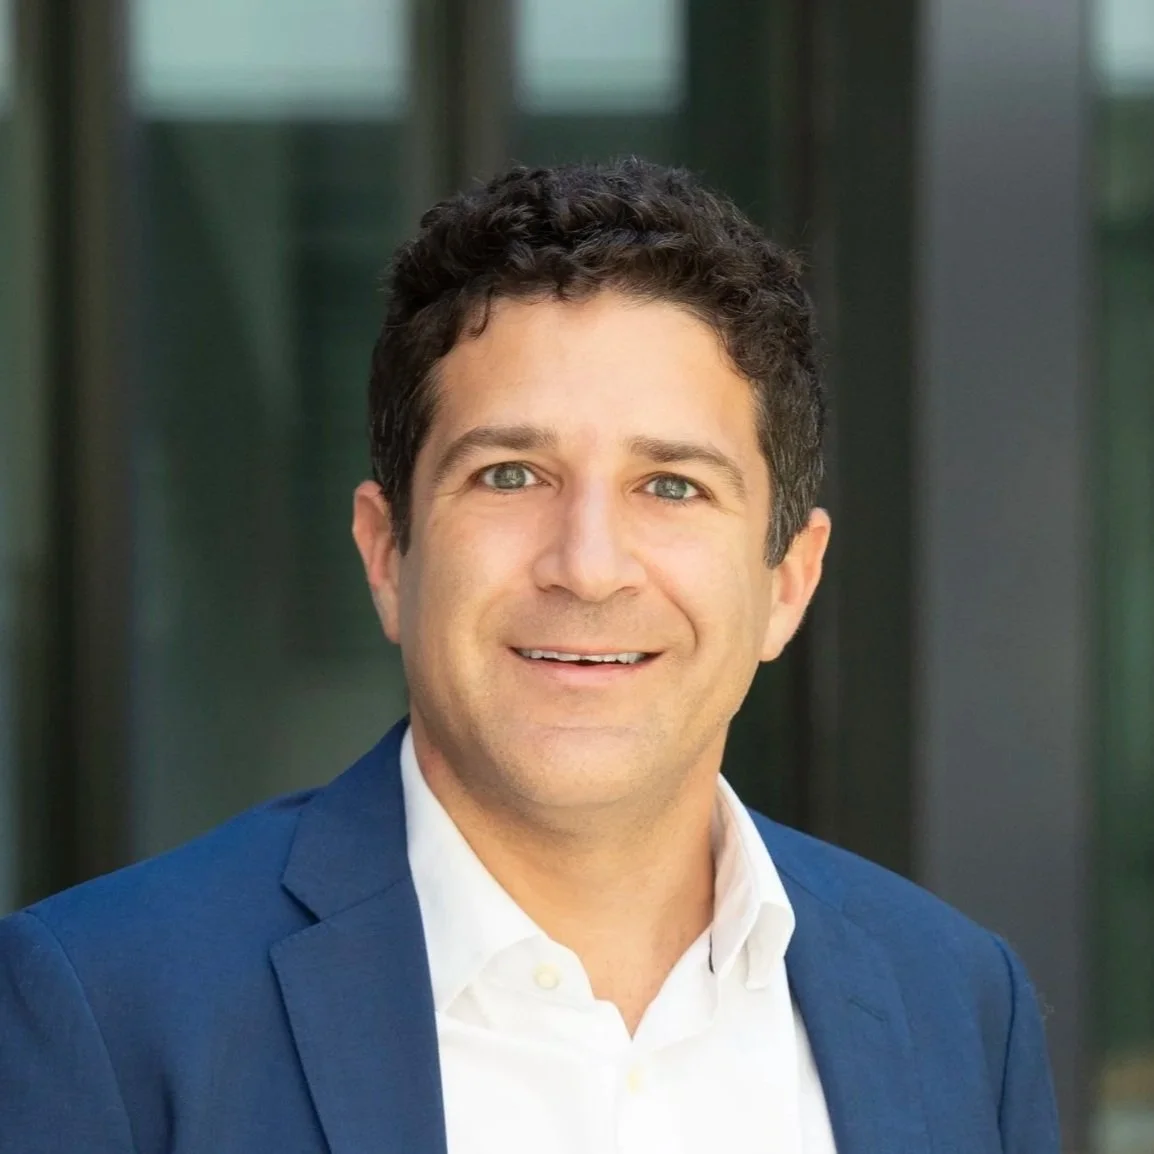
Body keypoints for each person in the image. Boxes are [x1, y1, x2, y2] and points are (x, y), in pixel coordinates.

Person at [0, 160, 1059, 1154]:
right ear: (386, 555)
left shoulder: (959, 1004)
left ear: (786, 580)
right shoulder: (104, 1005)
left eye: (671, 485)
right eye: (509, 475)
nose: (587, 566)